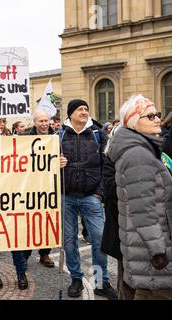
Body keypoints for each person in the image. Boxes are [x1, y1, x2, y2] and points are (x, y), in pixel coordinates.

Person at [108, 95, 172, 300]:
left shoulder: (144, 149)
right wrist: (158, 252)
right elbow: (143, 210)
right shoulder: (138, 154)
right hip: (155, 249)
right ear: (134, 123)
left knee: (147, 292)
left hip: (146, 247)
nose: (157, 119)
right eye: (150, 116)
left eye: (157, 114)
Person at [60, 99, 118, 300]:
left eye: (86, 108)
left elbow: (107, 164)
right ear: (70, 114)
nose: (85, 112)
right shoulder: (59, 135)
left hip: (91, 196)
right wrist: (54, 162)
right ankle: (76, 278)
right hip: (66, 196)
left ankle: (101, 282)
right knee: (69, 241)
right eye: (80, 109)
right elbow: (44, 165)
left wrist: (99, 193)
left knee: (99, 239)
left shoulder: (98, 133)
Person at [0, 118, 29, 290]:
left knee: (14, 236)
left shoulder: (12, 140)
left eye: (2, 121)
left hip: (10, 194)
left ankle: (21, 273)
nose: (1, 124)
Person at [22, 111, 67, 268]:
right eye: (41, 121)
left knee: (47, 220)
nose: (44, 123)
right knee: (28, 221)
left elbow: (62, 156)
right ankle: (25, 255)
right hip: (30, 185)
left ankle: (45, 253)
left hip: (50, 186)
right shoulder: (25, 138)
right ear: (35, 123)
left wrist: (62, 160)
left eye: (46, 120)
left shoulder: (57, 138)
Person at [101, 123, 135, 300]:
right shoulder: (110, 158)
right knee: (126, 278)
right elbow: (110, 188)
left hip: (141, 226)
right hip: (121, 226)